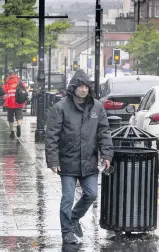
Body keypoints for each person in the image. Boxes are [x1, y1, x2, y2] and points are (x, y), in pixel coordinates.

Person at [45, 70, 113, 244]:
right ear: (73, 87)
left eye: (86, 87)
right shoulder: (60, 107)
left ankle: (73, 219)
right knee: (67, 198)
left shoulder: (97, 107)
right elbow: (52, 135)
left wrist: (106, 154)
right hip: (67, 161)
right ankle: (67, 232)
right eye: (81, 86)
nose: (84, 90)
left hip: (89, 161)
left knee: (91, 194)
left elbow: (103, 132)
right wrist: (53, 160)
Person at [2, 70, 28, 138]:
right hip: (18, 102)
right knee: (19, 116)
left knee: (10, 118)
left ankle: (12, 132)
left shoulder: (7, 82)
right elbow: (25, 89)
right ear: (14, 74)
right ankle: (19, 126)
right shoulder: (19, 81)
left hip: (10, 103)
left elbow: (3, 92)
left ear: (9, 75)